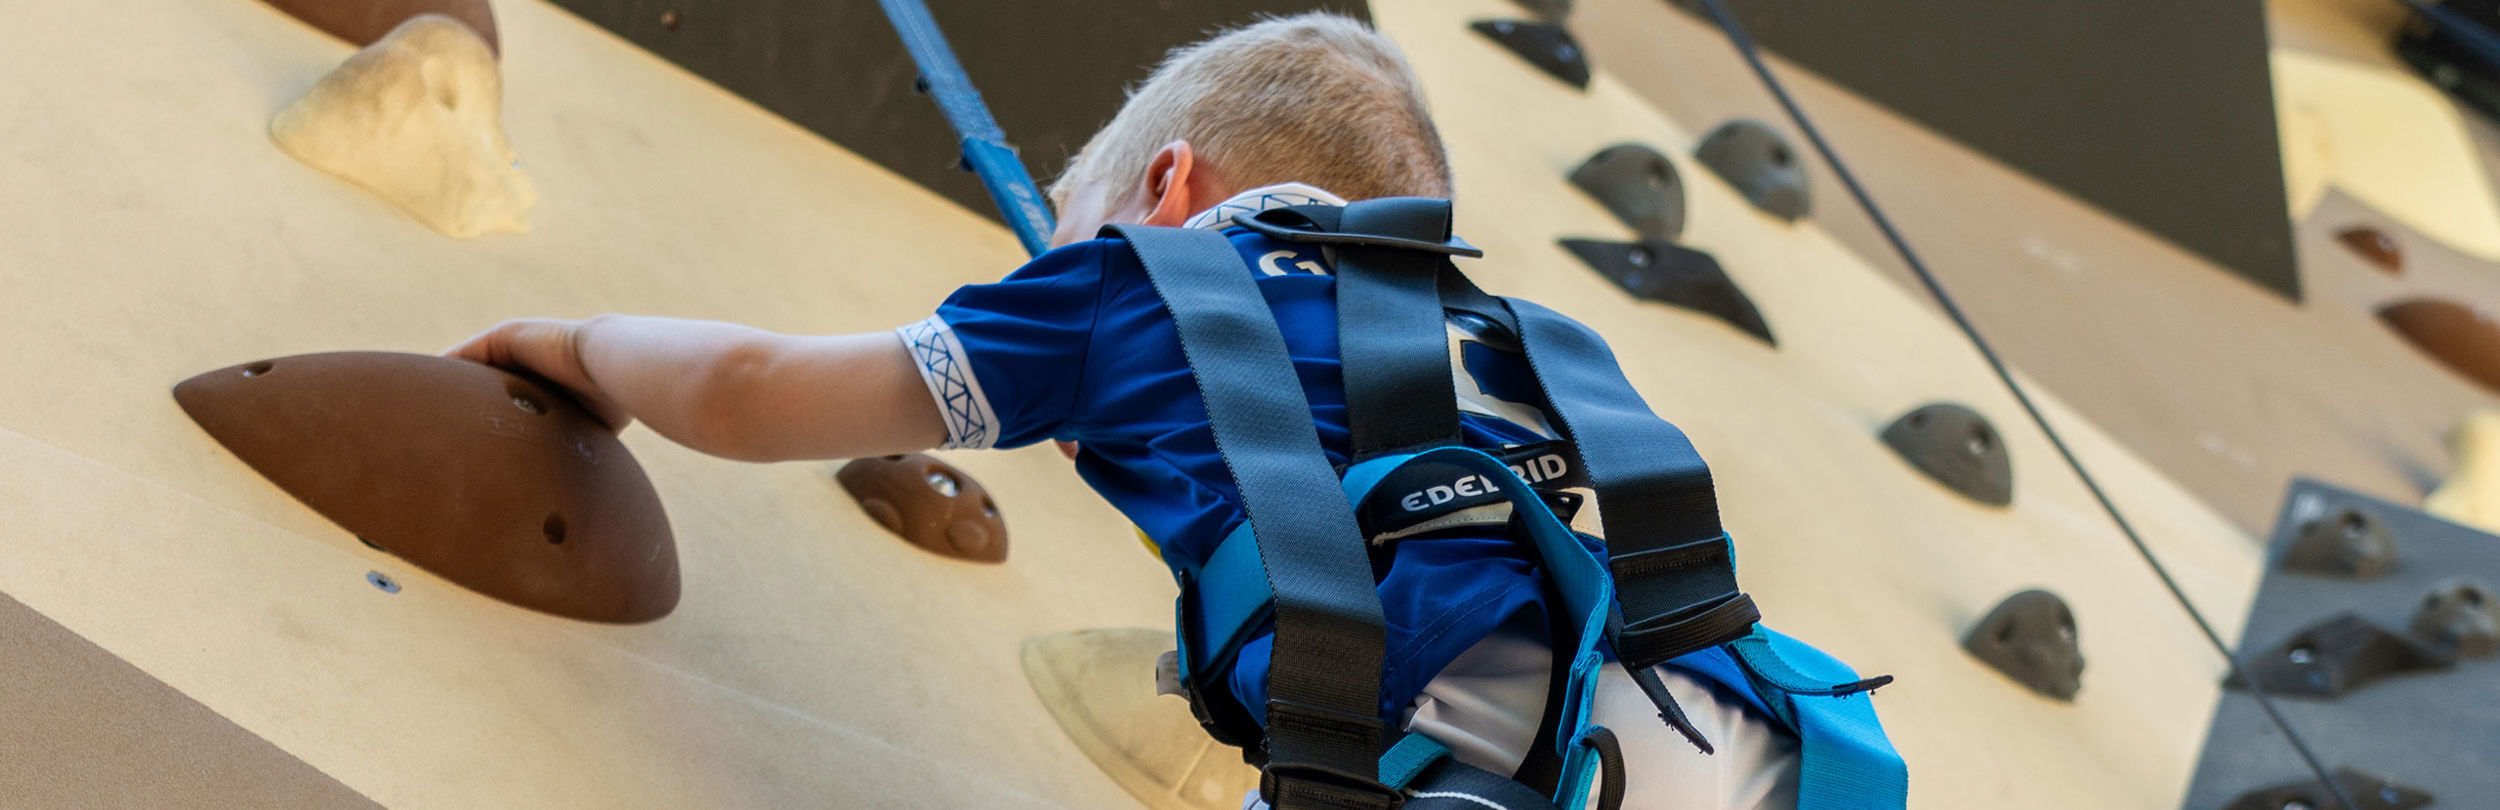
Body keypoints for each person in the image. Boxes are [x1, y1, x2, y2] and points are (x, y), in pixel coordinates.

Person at [451, 14, 1883, 809]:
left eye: (1072, 221)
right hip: (1726, 730)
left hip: (1478, 763)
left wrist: (568, 339)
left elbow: (754, 392)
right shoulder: (1478, 333)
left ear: (1167, 186)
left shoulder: (1134, 289)